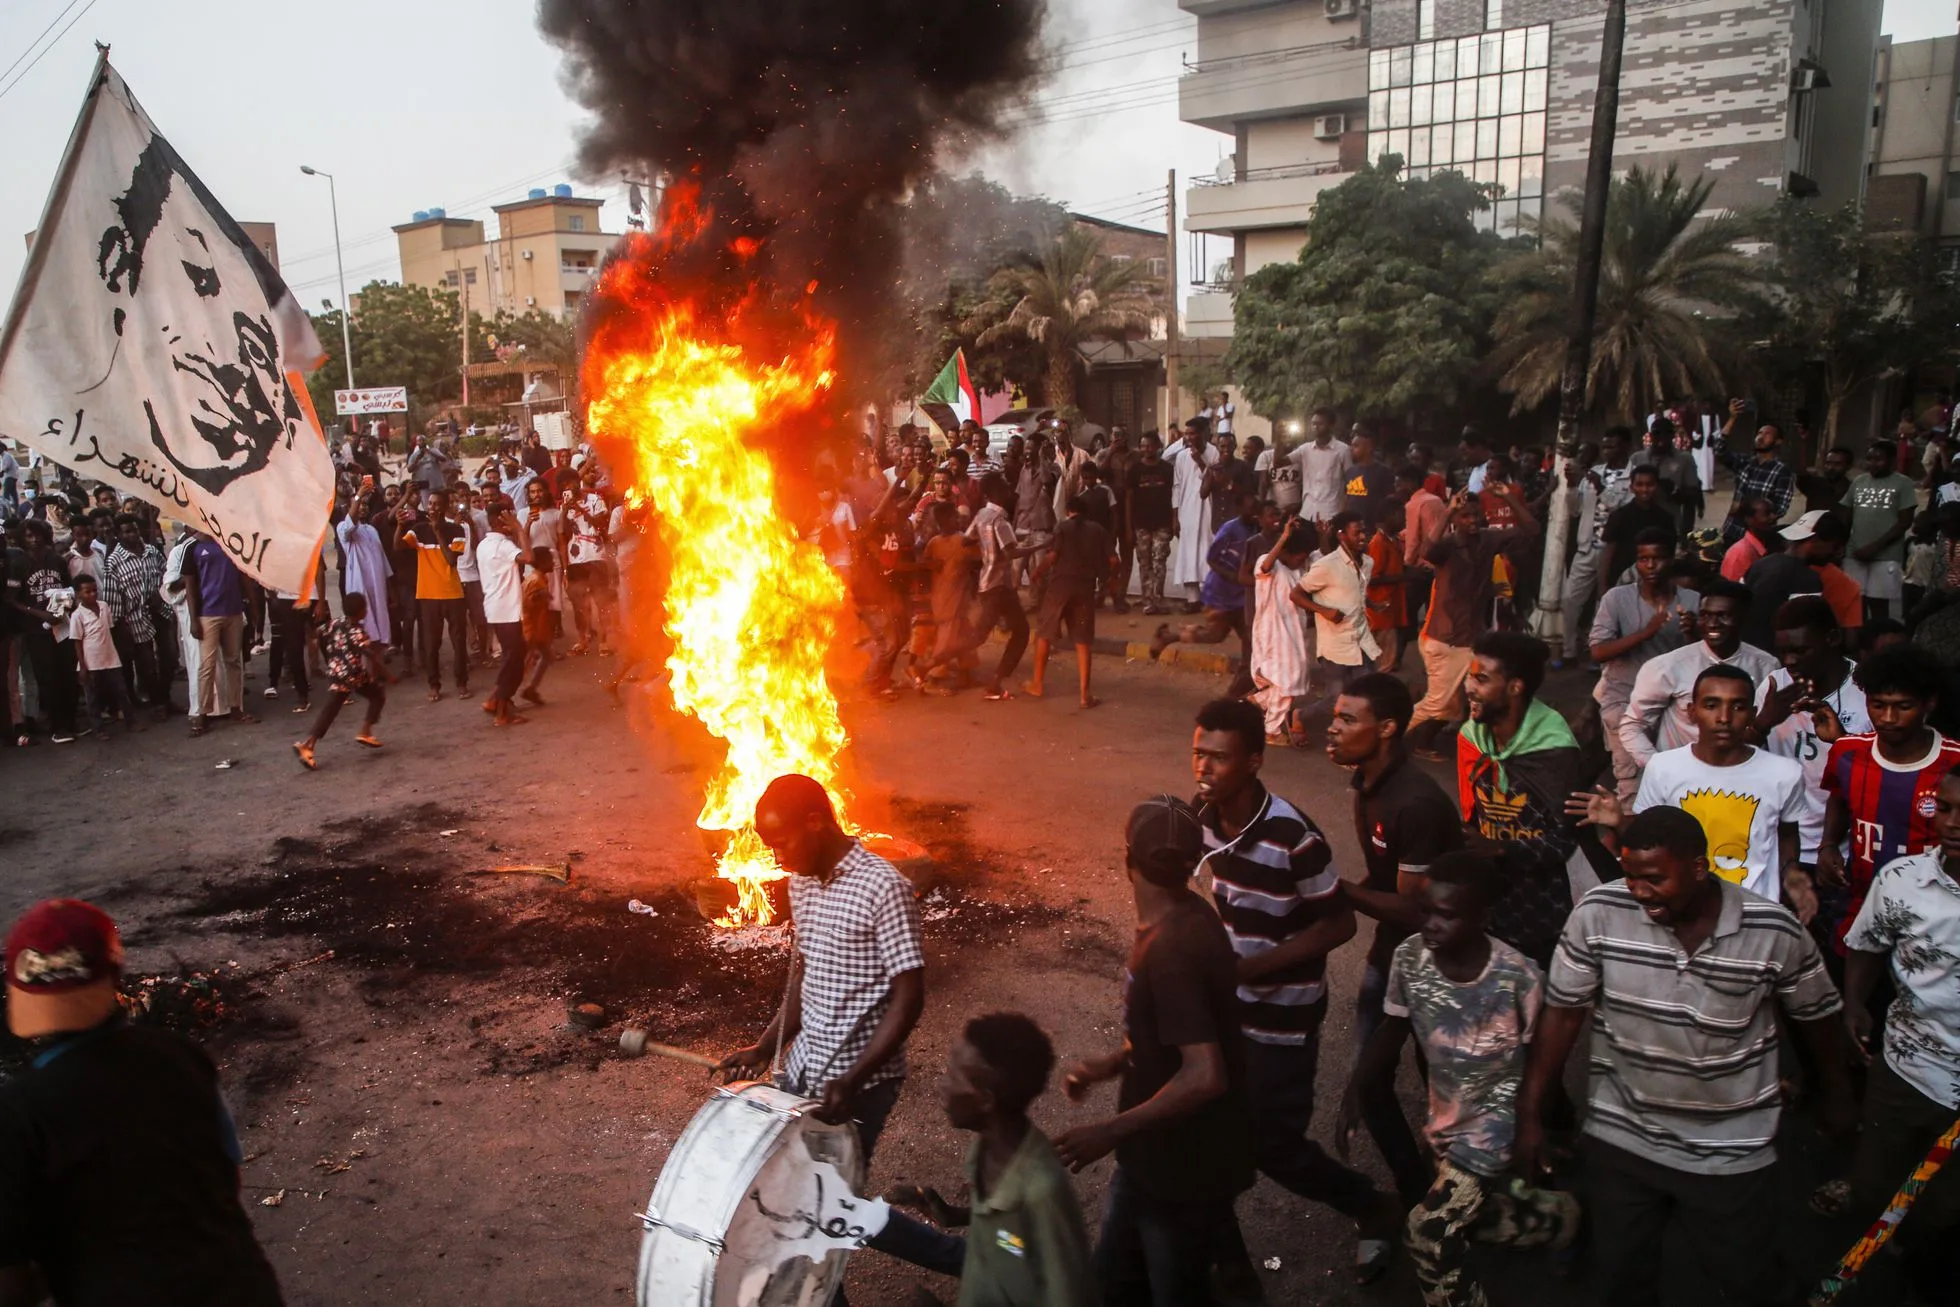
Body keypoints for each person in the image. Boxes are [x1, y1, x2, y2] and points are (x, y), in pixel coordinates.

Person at [1518, 806, 1853, 1307]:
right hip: (1623, 1136)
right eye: (1630, 875)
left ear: (1699, 868)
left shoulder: (1772, 930)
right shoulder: (1598, 914)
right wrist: (1531, 1114)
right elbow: (1562, 1014)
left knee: (1746, 1280)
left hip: (1732, 1147)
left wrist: (1837, 1096)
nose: (1638, 891)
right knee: (1622, 1279)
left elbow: (1817, 1017)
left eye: (1654, 879)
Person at [1180, 699, 1404, 1281]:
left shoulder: (1293, 836)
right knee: (1208, 1130)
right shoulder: (1201, 819)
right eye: (1199, 752)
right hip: (1231, 1006)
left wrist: (1254, 969)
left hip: (1284, 1012)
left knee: (1272, 1145)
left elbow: (1338, 924)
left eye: (1219, 758)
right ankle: (1224, 1266)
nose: (1204, 767)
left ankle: (1373, 1206)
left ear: (1254, 761)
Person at [0, 899, 285, 1305]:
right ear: (115, 974)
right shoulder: (182, 1056)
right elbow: (226, 1174)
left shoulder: (19, 1113)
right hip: (240, 1287)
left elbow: (9, 1274)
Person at [1342, 856, 1578, 1307]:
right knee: (1473, 1217)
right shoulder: (1410, 958)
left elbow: (1544, 1063)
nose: (1430, 924)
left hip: (1497, 1128)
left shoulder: (1519, 976)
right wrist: (1355, 1090)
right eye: (1424, 910)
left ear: (1482, 917)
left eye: (1445, 915)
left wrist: (1534, 1127)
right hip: (1447, 1121)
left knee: (1429, 1233)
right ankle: (1556, 1219)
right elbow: (1391, 1029)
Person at [1053, 796, 1255, 1306]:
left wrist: (1109, 1129)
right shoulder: (1188, 916)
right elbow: (1175, 1028)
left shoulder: (1172, 949)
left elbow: (1206, 1074)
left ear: (1127, 861)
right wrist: (1114, 1062)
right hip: (1154, 1160)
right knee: (1113, 1285)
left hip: (1180, 1169)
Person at [1328, 672, 1460, 1205]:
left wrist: (1331, 889)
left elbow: (1414, 908)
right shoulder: (1367, 779)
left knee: (1442, 1088)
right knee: (1369, 1081)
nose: (1331, 729)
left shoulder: (1414, 803)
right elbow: (1385, 885)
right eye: (1334, 716)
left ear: (1386, 728)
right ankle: (1413, 1192)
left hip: (1435, 966)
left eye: (1346, 719)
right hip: (1395, 952)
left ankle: (1459, 1195)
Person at [1840, 765, 1960, 1303]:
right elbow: (1867, 943)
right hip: (1907, 1066)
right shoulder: (1902, 879)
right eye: (1948, 809)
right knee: (1874, 1191)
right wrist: (1855, 1004)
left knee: (1944, 1217)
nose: (1953, 824)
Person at [886, 1014, 1098, 1307]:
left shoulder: (1041, 1190)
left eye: (953, 1075)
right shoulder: (987, 1150)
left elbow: (1069, 1295)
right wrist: (953, 1215)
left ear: (986, 1100)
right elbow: (1010, 1239)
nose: (942, 1085)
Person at [1599, 666, 1813, 923]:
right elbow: (1647, 842)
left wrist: (1792, 874)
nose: (1724, 717)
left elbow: (1787, 836)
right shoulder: (1663, 768)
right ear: (1692, 712)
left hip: (1752, 919)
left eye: (1737, 707)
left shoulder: (1784, 773)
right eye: (1711, 705)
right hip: (1681, 915)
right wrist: (1619, 823)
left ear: (1752, 714)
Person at [1458, 632, 1589, 965]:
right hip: (1488, 905)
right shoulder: (1472, 737)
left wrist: (1502, 848)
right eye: (1471, 675)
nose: (1469, 687)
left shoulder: (1553, 749)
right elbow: (1471, 816)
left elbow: (1567, 842)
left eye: (1482, 679)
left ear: (1515, 687)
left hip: (1545, 913)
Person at [1817, 644, 1960, 949]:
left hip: (1934, 919)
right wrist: (1828, 844)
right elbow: (1839, 798)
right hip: (1859, 906)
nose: (1888, 717)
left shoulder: (1954, 763)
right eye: (1878, 705)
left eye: (1903, 706)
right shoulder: (1847, 752)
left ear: (1928, 704)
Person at [1407, 487, 1537, 759]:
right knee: (1437, 703)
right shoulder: (1447, 545)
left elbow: (1531, 530)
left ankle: (1425, 744)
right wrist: (1449, 511)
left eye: (1476, 515)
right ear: (1455, 520)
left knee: (1458, 703)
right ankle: (1383, 740)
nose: (1472, 521)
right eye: (1465, 516)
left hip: (1469, 638)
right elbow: (1427, 549)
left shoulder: (1488, 540)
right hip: (1445, 639)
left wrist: (1508, 498)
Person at [1589, 528, 1701, 800]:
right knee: (1631, 787)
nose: (1650, 566)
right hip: (1624, 703)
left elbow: (1701, 658)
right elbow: (1598, 651)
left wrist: (1693, 633)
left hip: (1673, 706)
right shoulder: (1617, 599)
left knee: (1675, 784)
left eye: (1658, 558)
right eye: (1643, 559)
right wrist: (1645, 633)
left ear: (1671, 558)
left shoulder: (1692, 600)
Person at [1617, 581, 1778, 769]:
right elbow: (1632, 726)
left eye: (1723, 616)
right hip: (1681, 785)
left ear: (1743, 618)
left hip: (1743, 782)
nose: (1712, 624)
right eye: (1705, 615)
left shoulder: (1767, 666)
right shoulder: (1667, 666)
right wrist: (1659, 768)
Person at [1024, 495, 1115, 708]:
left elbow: (1053, 557)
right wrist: (1109, 579)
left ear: (1068, 511)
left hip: (1060, 587)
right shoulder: (1098, 530)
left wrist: (1038, 572)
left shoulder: (1062, 528)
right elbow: (1113, 560)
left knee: (1044, 634)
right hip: (1085, 588)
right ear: (1086, 512)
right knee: (1082, 642)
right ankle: (1085, 695)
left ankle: (1037, 684)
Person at [1557, 427, 1634, 667]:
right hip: (1586, 547)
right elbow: (1575, 509)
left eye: (1612, 446)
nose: (1607, 451)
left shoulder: (1633, 477)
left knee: (1605, 605)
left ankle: (1598, 654)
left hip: (1612, 551)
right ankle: (1569, 651)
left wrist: (1600, 487)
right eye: (1605, 446)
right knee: (1570, 600)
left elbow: (1621, 509)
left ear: (1625, 448)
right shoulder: (1594, 473)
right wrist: (1571, 485)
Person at [1294, 510, 1379, 718]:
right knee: (1336, 700)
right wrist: (1325, 611)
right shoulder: (1326, 566)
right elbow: (1296, 594)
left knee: (1366, 695)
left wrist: (1372, 604)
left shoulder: (1367, 562)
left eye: (1364, 532)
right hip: (1335, 646)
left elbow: (1355, 589)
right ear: (1341, 535)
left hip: (1362, 641)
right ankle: (1298, 716)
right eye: (1357, 533)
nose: (1362, 537)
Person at [293, 591, 386, 768]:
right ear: (361, 612)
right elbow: (370, 655)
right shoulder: (358, 633)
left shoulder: (336, 623)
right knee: (377, 695)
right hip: (352, 675)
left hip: (336, 671)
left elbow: (319, 631)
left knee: (332, 707)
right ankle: (363, 731)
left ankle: (309, 745)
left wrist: (332, 651)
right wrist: (384, 675)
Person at [395, 488, 470, 702]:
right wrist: (400, 525)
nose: (433, 508)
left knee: (458, 642)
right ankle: (434, 685)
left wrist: (437, 531)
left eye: (437, 504)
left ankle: (462, 682)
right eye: (430, 504)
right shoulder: (418, 529)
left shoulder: (457, 529)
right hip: (428, 595)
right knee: (431, 644)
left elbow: (451, 561)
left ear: (445, 507)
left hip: (453, 593)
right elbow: (397, 546)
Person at [963, 472, 1032, 702]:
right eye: (1004, 486)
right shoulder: (999, 520)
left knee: (981, 635)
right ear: (996, 493)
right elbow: (1011, 552)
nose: (1009, 490)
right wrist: (1040, 546)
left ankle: (930, 664)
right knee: (1018, 632)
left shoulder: (982, 514)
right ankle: (929, 665)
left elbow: (966, 539)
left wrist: (985, 553)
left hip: (988, 583)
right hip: (999, 586)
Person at [183, 532, 254, 738]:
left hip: (233, 611)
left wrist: (253, 607)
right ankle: (202, 713)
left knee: (233, 661)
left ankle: (236, 708)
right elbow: (190, 586)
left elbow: (244, 575)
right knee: (207, 665)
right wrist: (194, 619)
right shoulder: (193, 547)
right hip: (208, 614)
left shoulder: (230, 541)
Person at [1842, 438, 1919, 622]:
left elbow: (1904, 522)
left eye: (1878, 459)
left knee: (1878, 608)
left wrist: (1875, 547)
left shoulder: (1903, 483)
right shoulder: (1859, 482)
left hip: (1885, 556)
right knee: (1854, 605)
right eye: (1869, 459)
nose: (1872, 463)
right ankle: (1855, 648)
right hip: (1855, 554)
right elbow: (1847, 516)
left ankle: (1876, 646)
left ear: (1892, 460)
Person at [475, 496, 532, 727]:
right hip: (507, 610)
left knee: (514, 656)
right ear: (501, 521)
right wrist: (519, 528)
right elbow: (529, 557)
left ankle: (494, 701)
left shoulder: (484, 545)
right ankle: (501, 711)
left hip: (496, 607)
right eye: (509, 516)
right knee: (513, 661)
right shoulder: (503, 545)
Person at [69, 574, 139, 737]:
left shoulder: (104, 606)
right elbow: (77, 642)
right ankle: (98, 729)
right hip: (91, 662)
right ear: (78, 594)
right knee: (93, 698)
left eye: (95, 590)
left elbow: (109, 630)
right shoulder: (77, 616)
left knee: (121, 691)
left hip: (110, 658)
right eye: (87, 592)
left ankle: (131, 721)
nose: (93, 594)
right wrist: (83, 667)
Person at [1717, 403, 1796, 546]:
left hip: (1757, 539)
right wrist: (1732, 418)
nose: (1760, 437)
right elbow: (1719, 450)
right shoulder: (1745, 462)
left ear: (1778, 442)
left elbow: (1780, 508)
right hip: (1732, 530)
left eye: (1767, 434)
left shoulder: (1781, 471)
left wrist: (1744, 509)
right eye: (1759, 433)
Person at [1598, 464, 1675, 591]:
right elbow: (1608, 552)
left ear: (1657, 486)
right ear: (1631, 488)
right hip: (1620, 580)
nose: (1645, 489)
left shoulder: (1666, 518)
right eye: (1639, 484)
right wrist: (1602, 585)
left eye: (1650, 485)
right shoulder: (1619, 516)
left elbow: (1670, 554)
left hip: (1654, 581)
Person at [1125, 432, 1176, 615]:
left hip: (1162, 523)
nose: (1147, 449)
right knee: (1144, 563)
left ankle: (1158, 598)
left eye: (1150, 446)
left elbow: (1173, 497)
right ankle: (1148, 600)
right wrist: (1129, 527)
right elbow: (1129, 499)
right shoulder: (1134, 470)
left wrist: (1173, 521)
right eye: (1143, 446)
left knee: (1159, 561)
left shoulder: (1167, 470)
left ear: (1157, 446)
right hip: (1141, 524)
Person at [334, 493, 393, 649]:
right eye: (359, 504)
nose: (363, 506)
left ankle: (376, 667)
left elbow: (382, 560)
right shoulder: (343, 528)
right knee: (365, 628)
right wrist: (359, 494)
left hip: (377, 584)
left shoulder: (371, 529)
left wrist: (390, 589)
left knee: (380, 625)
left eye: (365, 504)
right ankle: (367, 669)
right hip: (360, 583)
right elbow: (349, 526)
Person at [1289, 407, 1351, 528]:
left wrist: (1342, 513)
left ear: (1331, 425)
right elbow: (1279, 462)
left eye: (1320, 423)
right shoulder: (1305, 449)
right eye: (1313, 424)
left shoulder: (1342, 450)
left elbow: (1351, 483)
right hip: (1307, 513)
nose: (1316, 427)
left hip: (1331, 514)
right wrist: (1281, 438)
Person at [518, 544, 555, 707]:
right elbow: (528, 602)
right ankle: (504, 697)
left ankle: (530, 689)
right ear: (542, 562)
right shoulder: (535, 580)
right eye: (551, 560)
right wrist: (541, 596)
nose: (554, 563)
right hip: (531, 629)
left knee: (546, 656)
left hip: (537, 628)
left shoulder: (538, 577)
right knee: (523, 664)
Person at [1719, 496, 1781, 583]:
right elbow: (1730, 590)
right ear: (1749, 520)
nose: (1774, 517)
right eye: (1767, 513)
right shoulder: (1739, 554)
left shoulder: (1772, 544)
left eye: (1773, 512)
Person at [1341, 431, 1394, 530]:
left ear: (1369, 447)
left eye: (1356, 446)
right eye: (1351, 446)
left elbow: (1390, 501)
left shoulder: (1383, 472)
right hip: (1352, 528)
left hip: (1373, 527)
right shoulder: (1350, 471)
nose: (1351, 449)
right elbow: (1346, 499)